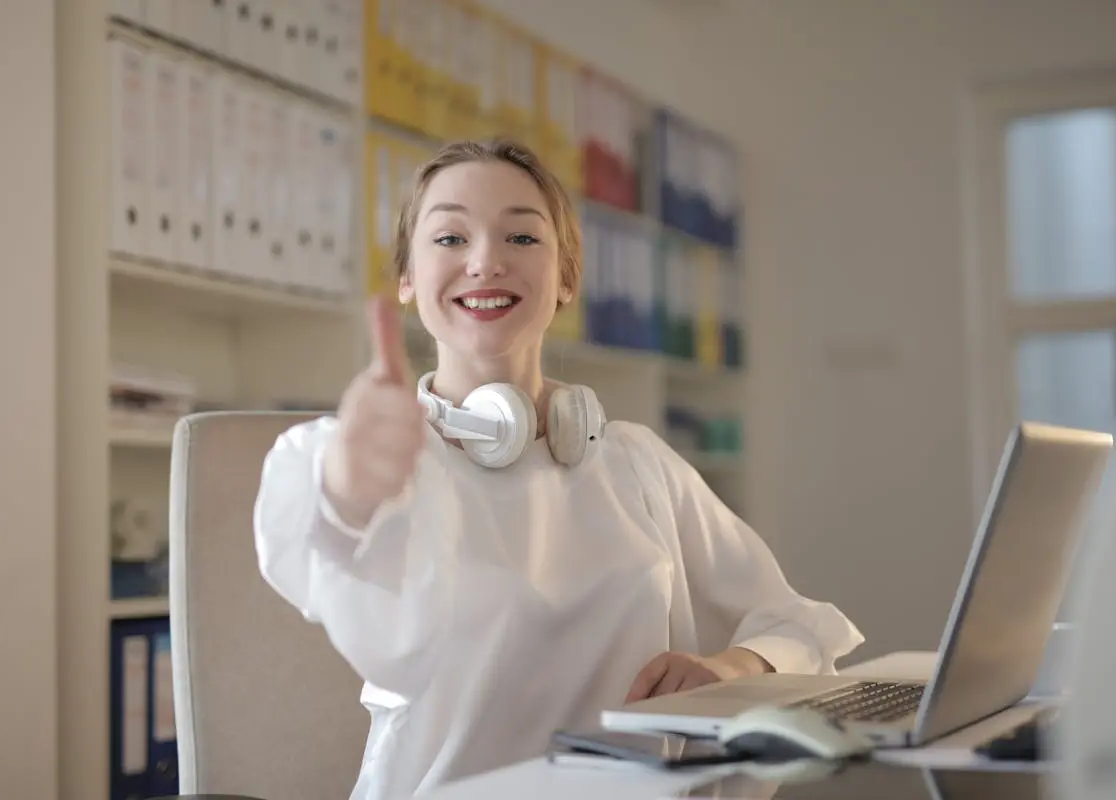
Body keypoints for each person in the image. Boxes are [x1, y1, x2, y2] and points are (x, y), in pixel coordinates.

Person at [253, 138, 864, 800]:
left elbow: (800, 625)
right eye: (451, 238)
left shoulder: (635, 463)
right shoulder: (365, 457)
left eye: (520, 236)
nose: (485, 261)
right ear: (405, 279)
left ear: (567, 278)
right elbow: (324, 540)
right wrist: (350, 487)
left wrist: (729, 665)